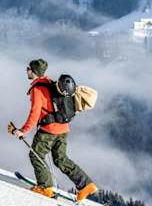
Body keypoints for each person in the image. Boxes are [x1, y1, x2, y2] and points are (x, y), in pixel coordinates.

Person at [9, 58, 98, 202]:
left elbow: (35, 112)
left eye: (28, 69)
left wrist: (23, 130)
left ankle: (45, 187)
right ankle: (86, 185)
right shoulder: (51, 83)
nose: (26, 70)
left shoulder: (37, 89)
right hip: (63, 129)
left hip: (48, 130)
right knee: (61, 159)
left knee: (36, 155)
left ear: (34, 71)